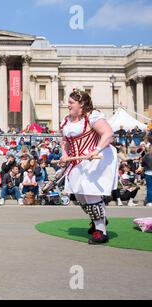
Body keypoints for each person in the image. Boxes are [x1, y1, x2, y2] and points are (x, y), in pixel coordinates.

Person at [59, 89, 118, 245]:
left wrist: (96, 149)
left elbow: (108, 133)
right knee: (79, 196)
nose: (68, 105)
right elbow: (64, 140)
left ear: (81, 104)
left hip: (95, 159)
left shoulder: (92, 117)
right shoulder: (66, 120)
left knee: (90, 191)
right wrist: (64, 154)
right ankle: (99, 219)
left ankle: (101, 231)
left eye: (71, 102)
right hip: (77, 161)